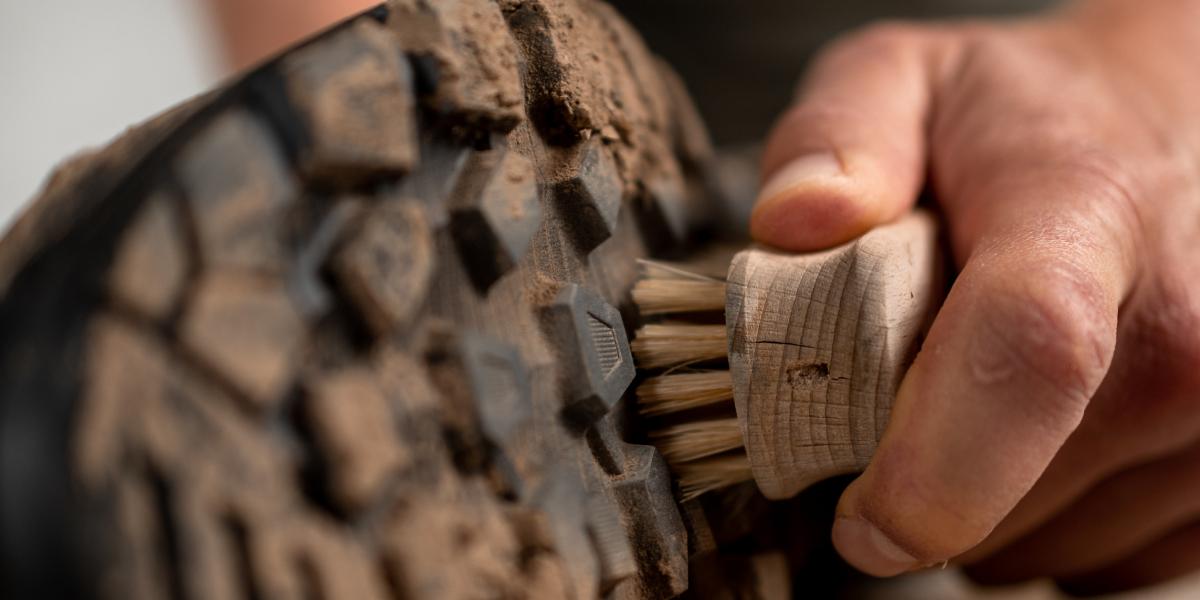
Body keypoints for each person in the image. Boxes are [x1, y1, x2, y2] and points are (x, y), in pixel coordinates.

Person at [210, 0, 1200, 594]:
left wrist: (1165, 70)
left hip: (1086, 212)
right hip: (672, 175)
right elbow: (374, 91)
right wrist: (350, 158)